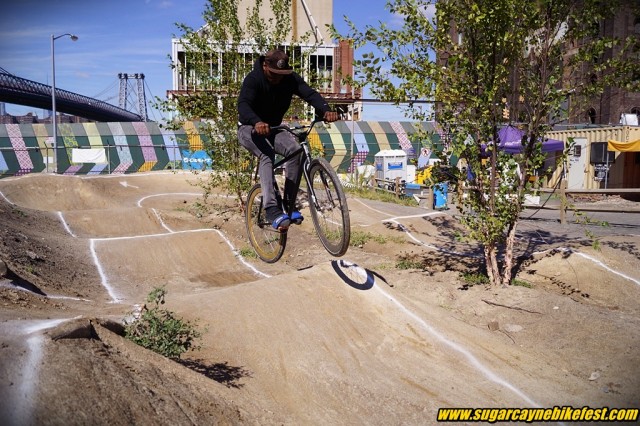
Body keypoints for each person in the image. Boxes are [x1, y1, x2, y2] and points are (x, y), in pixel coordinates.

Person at [237, 49, 339, 231]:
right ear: (265, 65)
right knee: (266, 154)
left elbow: (310, 94)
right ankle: (271, 209)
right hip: (249, 128)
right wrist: (256, 121)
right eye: (274, 74)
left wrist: (326, 110)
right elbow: (243, 105)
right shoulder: (253, 79)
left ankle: (289, 205)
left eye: (281, 75)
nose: (278, 79)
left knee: (295, 151)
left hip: (274, 129)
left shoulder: (289, 79)